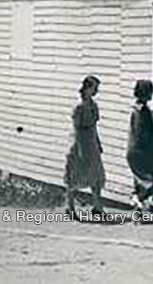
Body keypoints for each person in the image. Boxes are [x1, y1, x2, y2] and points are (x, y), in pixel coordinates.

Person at [64, 75, 106, 219]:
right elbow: (77, 128)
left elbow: (94, 127)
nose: (96, 91)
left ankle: (97, 207)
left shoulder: (93, 105)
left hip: (91, 143)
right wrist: (81, 149)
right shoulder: (79, 106)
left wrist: (98, 143)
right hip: (79, 144)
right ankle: (69, 206)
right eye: (94, 88)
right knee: (76, 175)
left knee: (96, 175)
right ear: (87, 88)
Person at [127, 79, 153, 211]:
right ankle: (137, 198)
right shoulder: (142, 111)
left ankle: (138, 212)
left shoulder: (136, 109)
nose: (152, 94)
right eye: (150, 91)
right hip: (141, 151)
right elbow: (141, 133)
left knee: (140, 183)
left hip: (133, 150)